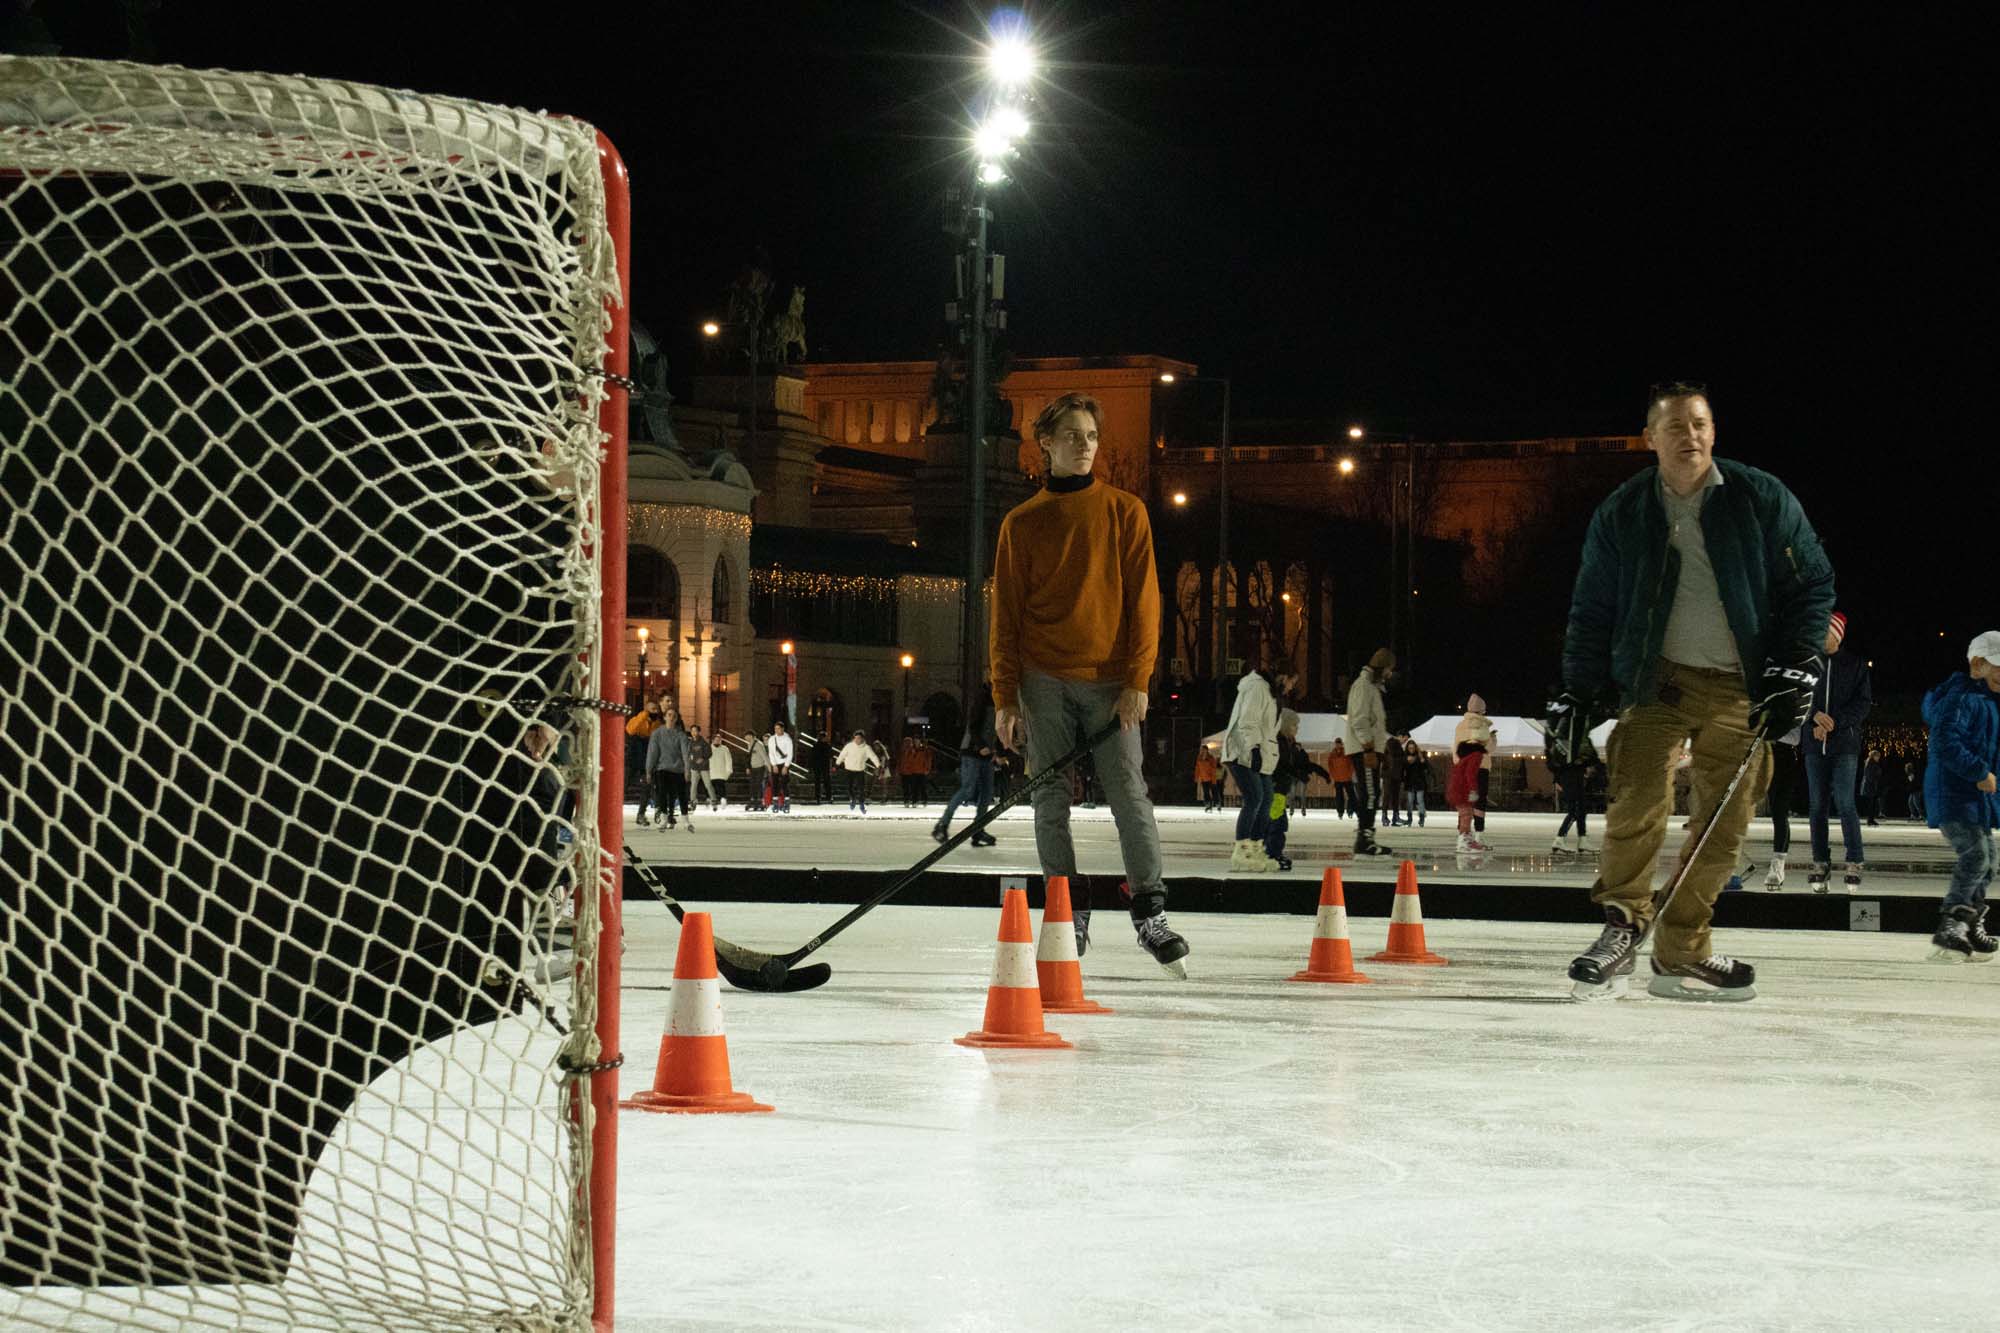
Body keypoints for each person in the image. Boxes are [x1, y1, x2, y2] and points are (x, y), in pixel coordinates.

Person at [1557, 382, 1834, 1001]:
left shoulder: (1760, 497)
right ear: (1650, 438)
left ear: (1715, 431)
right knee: (1637, 797)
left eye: (1701, 424)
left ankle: (1682, 949)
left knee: (1723, 824)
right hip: (1659, 683)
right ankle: (1622, 927)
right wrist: (1577, 690)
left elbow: (1812, 584)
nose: (1692, 436)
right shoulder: (1625, 511)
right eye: (1676, 426)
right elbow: (1592, 606)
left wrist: (1795, 664)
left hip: (1742, 690)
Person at [990, 392, 1187, 974]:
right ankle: (1066, 908)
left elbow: (1145, 604)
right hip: (1043, 678)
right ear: (1045, 444)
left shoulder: (1125, 511)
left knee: (1129, 793)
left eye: (1092, 437)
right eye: (1073, 436)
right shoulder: (1021, 523)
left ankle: (1149, 909)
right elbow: (1006, 617)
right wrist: (1005, 697)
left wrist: (1138, 680)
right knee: (1051, 800)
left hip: (1109, 683)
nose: (1085, 446)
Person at [1922, 631, 2000, 961]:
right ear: (1977, 664)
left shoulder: (1988, 701)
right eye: (1998, 667)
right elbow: (1944, 743)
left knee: (1989, 860)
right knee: (1975, 856)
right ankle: (1951, 926)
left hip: (1976, 798)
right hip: (1952, 793)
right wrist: (1979, 772)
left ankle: (1970, 923)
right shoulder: (1960, 697)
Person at [1800, 612, 1872, 891]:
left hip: (1845, 746)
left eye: (1825, 630)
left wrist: (1835, 722)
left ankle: (1854, 860)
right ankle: (1820, 861)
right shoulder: (1808, 664)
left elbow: (1863, 704)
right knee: (1817, 806)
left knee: (1845, 803)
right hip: (1814, 745)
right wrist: (1815, 716)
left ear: (1838, 635)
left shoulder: (1854, 665)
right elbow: (1797, 695)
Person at [1221, 660, 1281, 872]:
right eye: (1293, 681)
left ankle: (1255, 847)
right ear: (1283, 677)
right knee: (1255, 797)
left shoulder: (1270, 693)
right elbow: (1248, 721)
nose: (1293, 686)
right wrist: (1254, 749)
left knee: (1266, 799)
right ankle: (1242, 850)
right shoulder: (1257, 688)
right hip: (1241, 751)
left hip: (1257, 754)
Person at [935, 682, 1000, 848]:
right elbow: (973, 725)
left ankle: (978, 829)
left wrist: (998, 752)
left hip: (986, 753)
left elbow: (997, 730)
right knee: (968, 789)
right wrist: (980, 746)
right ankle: (942, 825)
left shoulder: (999, 700)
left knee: (986, 793)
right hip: (972, 751)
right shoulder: (982, 697)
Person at [1264, 709, 1329, 872]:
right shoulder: (1278, 741)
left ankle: (1271, 853)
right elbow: (1280, 765)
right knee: (1277, 824)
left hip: (1280, 789)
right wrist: (1297, 774)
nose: (1297, 728)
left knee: (1276, 822)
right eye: (1294, 725)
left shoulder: (1289, 742)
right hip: (1275, 789)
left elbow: (1299, 762)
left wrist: (1319, 770)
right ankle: (1271, 854)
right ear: (1285, 725)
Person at [1346, 648, 1396, 855]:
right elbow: (1359, 719)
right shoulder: (1363, 687)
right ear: (1381, 667)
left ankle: (1366, 837)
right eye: (1389, 669)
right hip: (1363, 750)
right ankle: (1364, 839)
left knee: (1372, 793)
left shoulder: (1370, 687)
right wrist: (1368, 748)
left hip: (1368, 749)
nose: (1390, 674)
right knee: (1370, 794)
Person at [1454, 694, 1496, 853]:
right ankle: (1477, 836)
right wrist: (1493, 739)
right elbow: (1488, 748)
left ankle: (1463, 835)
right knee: (1480, 801)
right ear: (1482, 711)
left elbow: (1456, 748)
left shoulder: (1460, 726)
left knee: (1464, 802)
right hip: (1480, 767)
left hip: (1461, 766)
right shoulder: (1481, 725)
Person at [1761, 726, 1801, 887]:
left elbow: (1795, 737)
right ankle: (1731, 862)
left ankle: (1777, 865)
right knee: (1738, 808)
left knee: (1779, 811)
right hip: (1757, 751)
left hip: (1783, 756)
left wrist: (1766, 731)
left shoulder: (1793, 702)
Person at [644, 709, 694, 830]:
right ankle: (664, 819)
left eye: (674, 716)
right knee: (662, 794)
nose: (671, 718)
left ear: (676, 719)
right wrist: (649, 770)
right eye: (669, 715)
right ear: (665, 717)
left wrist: (687, 770)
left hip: (678, 769)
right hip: (662, 768)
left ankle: (686, 820)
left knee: (682, 795)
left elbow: (685, 754)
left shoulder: (681, 735)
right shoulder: (657, 734)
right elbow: (652, 753)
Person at [626, 696, 662, 826]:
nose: (655, 712)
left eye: (656, 709)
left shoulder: (658, 724)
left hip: (647, 759)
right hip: (633, 758)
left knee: (648, 786)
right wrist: (644, 714)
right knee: (624, 786)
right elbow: (630, 730)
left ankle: (643, 813)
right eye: (652, 709)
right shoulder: (638, 720)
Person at [836, 730, 880, 812]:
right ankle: (853, 799)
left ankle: (861, 803)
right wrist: (837, 764)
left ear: (862, 739)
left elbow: (873, 757)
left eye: (859, 738)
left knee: (861, 788)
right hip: (849, 769)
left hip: (860, 770)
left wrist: (878, 765)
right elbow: (842, 755)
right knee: (849, 787)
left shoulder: (866, 748)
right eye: (856, 738)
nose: (857, 740)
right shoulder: (849, 746)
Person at [766, 720, 794, 813]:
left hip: (784, 762)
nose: (776, 730)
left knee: (784, 783)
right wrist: (773, 765)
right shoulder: (771, 739)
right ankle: (775, 803)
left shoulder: (787, 739)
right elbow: (771, 753)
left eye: (778, 728)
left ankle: (786, 802)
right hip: (775, 763)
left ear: (782, 729)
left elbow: (790, 754)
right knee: (775, 783)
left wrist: (786, 766)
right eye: (775, 729)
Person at [687, 724, 717, 810]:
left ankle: (714, 800)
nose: (694, 733)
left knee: (708, 784)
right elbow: (688, 753)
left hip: (704, 768)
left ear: (699, 732)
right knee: (693, 785)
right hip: (694, 767)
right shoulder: (690, 743)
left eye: (695, 731)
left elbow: (709, 753)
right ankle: (693, 801)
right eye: (692, 731)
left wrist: (703, 758)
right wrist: (690, 759)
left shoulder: (704, 742)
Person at [1381, 733, 1408, 827]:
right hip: (1389, 775)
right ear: (1400, 736)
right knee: (1387, 796)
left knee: (1395, 797)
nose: (1405, 741)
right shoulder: (1391, 743)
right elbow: (1394, 757)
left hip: (1396, 775)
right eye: (1405, 739)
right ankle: (1385, 817)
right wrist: (1405, 758)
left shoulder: (1397, 746)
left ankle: (1395, 817)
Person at [898, 733, 932, 807]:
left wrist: (927, 768)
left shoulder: (924, 749)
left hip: (922, 771)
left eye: (917, 740)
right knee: (914, 788)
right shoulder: (911, 749)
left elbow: (928, 760)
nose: (916, 742)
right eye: (915, 740)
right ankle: (915, 801)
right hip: (913, 771)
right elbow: (908, 760)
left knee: (923, 787)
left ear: (920, 741)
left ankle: (924, 800)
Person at [1403, 739, 1430, 827]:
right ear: (1407, 748)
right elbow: (1403, 768)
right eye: (1410, 748)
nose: (1411, 749)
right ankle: (1409, 818)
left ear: (1415, 748)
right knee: (1410, 801)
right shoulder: (1405, 756)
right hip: (1410, 782)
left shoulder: (1420, 756)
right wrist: (1407, 761)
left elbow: (1426, 767)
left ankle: (1421, 818)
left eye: (1413, 748)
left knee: (1420, 801)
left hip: (1419, 782)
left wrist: (1422, 760)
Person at [1327, 739, 1356, 818]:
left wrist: (1349, 774)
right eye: (1336, 744)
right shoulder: (1332, 754)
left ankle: (1350, 810)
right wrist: (1333, 775)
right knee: (1339, 796)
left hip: (1347, 778)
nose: (1338, 745)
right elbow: (1330, 766)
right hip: (1338, 778)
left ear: (1341, 744)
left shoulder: (1347, 752)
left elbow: (1351, 764)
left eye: (1339, 744)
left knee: (1351, 795)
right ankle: (1340, 812)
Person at [706, 730, 733, 810]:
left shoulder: (725, 748)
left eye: (719, 739)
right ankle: (710, 801)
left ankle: (723, 801)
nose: (718, 741)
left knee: (721, 788)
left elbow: (729, 760)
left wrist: (729, 771)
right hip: (711, 772)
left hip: (721, 773)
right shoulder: (708, 748)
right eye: (716, 739)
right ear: (713, 740)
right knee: (710, 788)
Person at [1194, 743, 1221, 812]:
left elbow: (1213, 768)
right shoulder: (1199, 758)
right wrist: (1197, 777)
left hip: (1211, 778)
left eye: (1203, 749)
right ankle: (1208, 805)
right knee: (1206, 793)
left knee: (1214, 792)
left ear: (1206, 750)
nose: (1202, 751)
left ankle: (1217, 804)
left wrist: (1213, 778)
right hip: (1204, 778)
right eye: (1201, 750)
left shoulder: (1211, 758)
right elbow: (1197, 768)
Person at [746, 729, 769, 811]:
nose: (745, 738)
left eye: (747, 736)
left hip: (760, 767)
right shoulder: (749, 744)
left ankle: (760, 801)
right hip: (753, 768)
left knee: (759, 785)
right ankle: (753, 800)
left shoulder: (759, 744)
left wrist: (769, 768)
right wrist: (748, 767)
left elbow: (764, 756)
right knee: (753, 785)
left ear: (751, 736)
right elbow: (749, 757)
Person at [1860, 747, 1883, 826]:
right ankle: (1870, 820)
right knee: (1871, 804)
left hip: (1870, 786)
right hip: (1869, 786)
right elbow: (1870, 776)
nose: (1878, 758)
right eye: (1877, 756)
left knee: (1872, 804)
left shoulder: (1871, 763)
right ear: (1874, 756)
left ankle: (1871, 819)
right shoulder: (1870, 763)